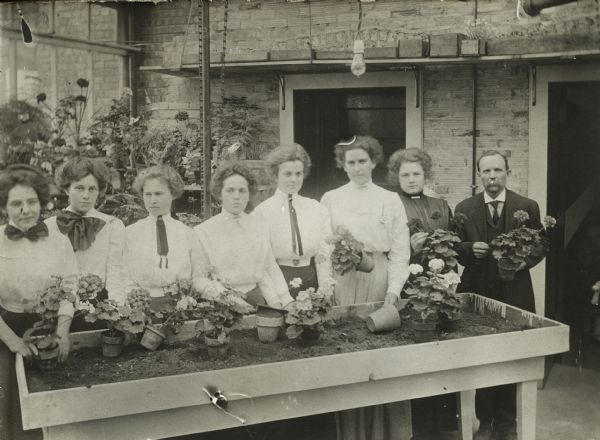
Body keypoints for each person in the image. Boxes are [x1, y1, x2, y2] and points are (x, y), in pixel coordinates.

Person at [320, 136, 411, 440]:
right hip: (343, 278)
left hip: (379, 277)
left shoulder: (389, 199)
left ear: (374, 162)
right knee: (345, 349)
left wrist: (394, 289)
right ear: (342, 166)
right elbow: (322, 248)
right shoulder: (331, 198)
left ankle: (386, 433)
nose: (357, 168)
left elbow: (400, 250)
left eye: (363, 161)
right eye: (351, 163)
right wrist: (327, 285)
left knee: (381, 351)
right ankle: (351, 433)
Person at [455, 150, 544, 440]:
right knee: (481, 355)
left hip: (514, 290)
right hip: (478, 289)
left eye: (497, 171)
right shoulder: (465, 208)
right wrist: (469, 250)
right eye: (486, 172)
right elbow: (456, 247)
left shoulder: (527, 206)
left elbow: (541, 245)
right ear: (478, 175)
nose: (492, 177)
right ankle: (485, 420)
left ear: (508, 172)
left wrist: (521, 261)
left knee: (511, 355)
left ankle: (507, 423)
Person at [0, 165, 78, 440]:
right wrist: (13, 342)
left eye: (31, 202)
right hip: (10, 330)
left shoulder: (58, 241)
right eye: (16, 203)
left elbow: (70, 288)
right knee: (17, 410)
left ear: (42, 202)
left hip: (52, 328)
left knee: (61, 410)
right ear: (4, 207)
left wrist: (62, 333)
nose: (25, 210)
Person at [388, 147, 457, 437]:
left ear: (425, 174)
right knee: (413, 352)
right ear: (396, 177)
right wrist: (410, 249)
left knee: (442, 352)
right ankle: (414, 427)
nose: (411, 179)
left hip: (439, 287)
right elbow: (389, 249)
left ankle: (443, 425)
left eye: (416, 173)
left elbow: (454, 243)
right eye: (405, 174)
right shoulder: (392, 204)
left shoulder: (440, 204)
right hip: (409, 286)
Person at [194, 161, 294, 309]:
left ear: (249, 194)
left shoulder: (259, 226)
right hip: (221, 304)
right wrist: (229, 299)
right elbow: (198, 279)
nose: (236, 196)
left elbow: (268, 267)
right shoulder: (203, 231)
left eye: (242, 191)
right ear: (219, 193)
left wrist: (284, 301)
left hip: (256, 299)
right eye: (230, 190)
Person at [253, 144, 333, 298]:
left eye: (299, 173)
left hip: (311, 279)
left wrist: (325, 290)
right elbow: (262, 261)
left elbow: (324, 252)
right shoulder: (262, 213)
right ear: (276, 175)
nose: (294, 179)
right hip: (278, 280)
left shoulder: (316, 209)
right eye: (287, 174)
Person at [46, 157, 127, 306]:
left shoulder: (112, 226)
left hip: (101, 305)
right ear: (66, 189)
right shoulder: (50, 227)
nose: (86, 196)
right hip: (59, 306)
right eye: (79, 188)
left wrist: (116, 308)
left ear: (99, 191)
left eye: (92, 189)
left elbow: (116, 271)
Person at [124, 165, 207, 301]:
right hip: (140, 305)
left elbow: (199, 274)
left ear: (173, 194)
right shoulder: (130, 233)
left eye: (159, 194)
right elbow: (124, 275)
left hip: (179, 304)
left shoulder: (187, 234)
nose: (153, 200)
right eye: (148, 194)